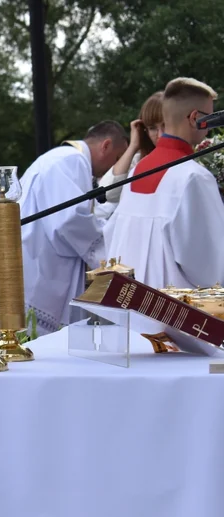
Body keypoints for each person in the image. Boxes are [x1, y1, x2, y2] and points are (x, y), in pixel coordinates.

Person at [105, 77, 224, 288]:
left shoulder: (136, 171)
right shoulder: (193, 177)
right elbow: (211, 270)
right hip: (175, 315)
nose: (210, 127)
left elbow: (113, 240)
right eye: (210, 117)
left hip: (130, 306)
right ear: (195, 118)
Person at [21, 121, 128, 334]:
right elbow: (70, 221)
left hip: (36, 258)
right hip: (41, 266)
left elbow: (89, 213)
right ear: (105, 145)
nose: (111, 167)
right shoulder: (72, 161)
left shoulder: (61, 159)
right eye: (116, 158)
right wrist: (114, 251)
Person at [98, 92, 164, 219]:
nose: (160, 135)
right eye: (152, 128)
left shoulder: (197, 151)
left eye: (165, 125)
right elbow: (107, 194)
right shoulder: (138, 160)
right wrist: (133, 146)